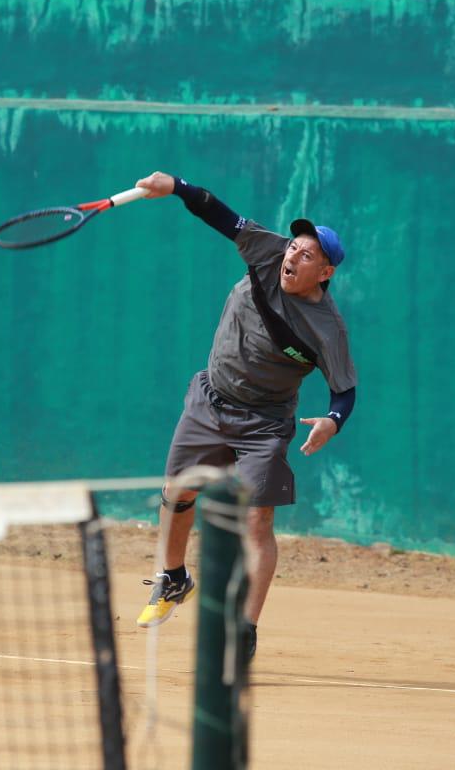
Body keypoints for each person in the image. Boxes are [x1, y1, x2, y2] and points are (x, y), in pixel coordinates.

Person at [132, 173, 358, 660]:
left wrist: (332, 421)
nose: (293, 257)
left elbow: (345, 390)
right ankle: (174, 578)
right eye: (295, 247)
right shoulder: (265, 251)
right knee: (176, 493)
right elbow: (215, 211)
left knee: (258, 522)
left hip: (265, 423)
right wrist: (175, 186)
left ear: (325, 273)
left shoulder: (327, 329)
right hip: (210, 399)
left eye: (307, 255)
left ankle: (245, 631)